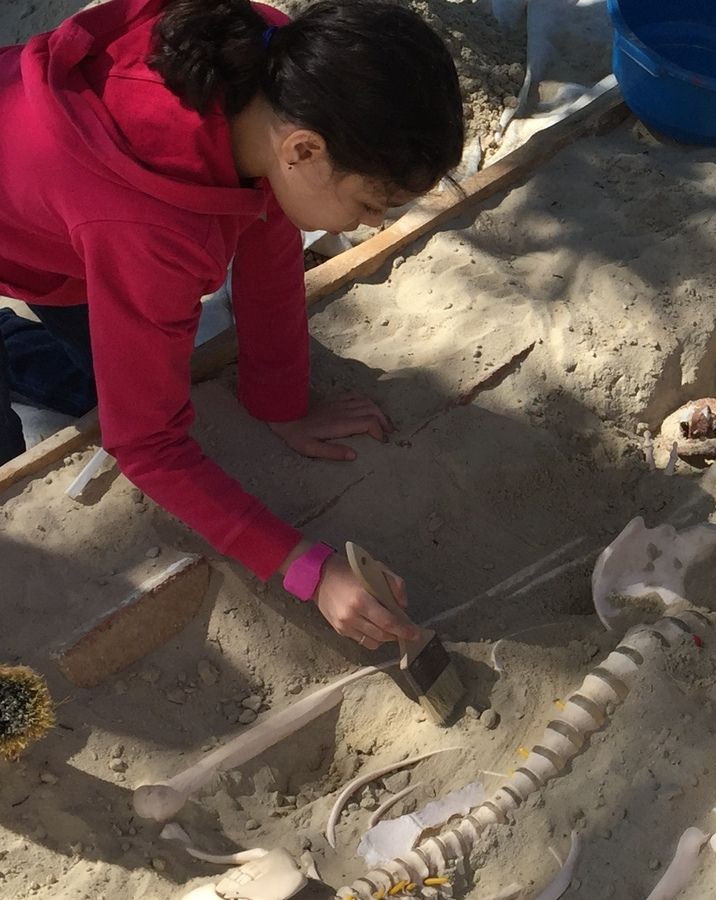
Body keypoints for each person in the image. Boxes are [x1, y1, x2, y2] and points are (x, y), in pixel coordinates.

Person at [0, 0, 466, 649]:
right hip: (49, 229)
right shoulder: (149, 235)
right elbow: (146, 443)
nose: (368, 226)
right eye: (368, 203)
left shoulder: (269, 57)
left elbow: (268, 228)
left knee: (107, 372)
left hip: (52, 198)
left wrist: (281, 401)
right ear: (304, 149)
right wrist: (309, 568)